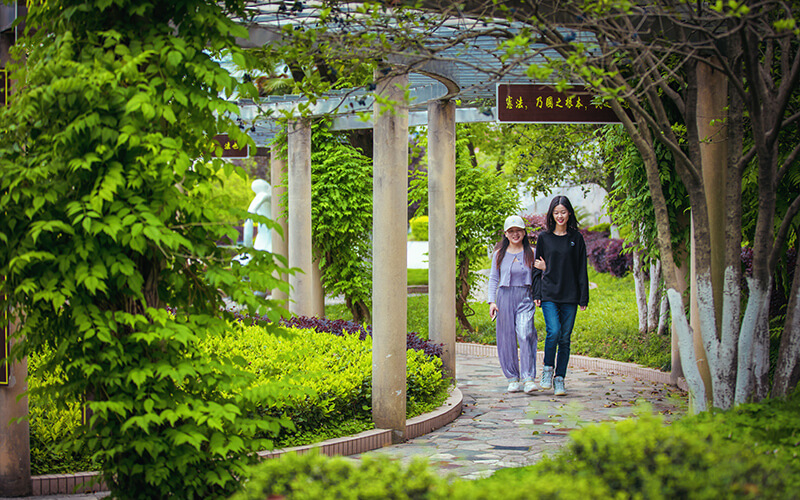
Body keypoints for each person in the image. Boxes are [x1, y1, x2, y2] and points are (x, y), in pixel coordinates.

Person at [532, 195, 589, 397]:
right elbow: (537, 268)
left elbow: (581, 268)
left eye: (563, 212)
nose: (560, 216)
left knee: (565, 338)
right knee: (554, 331)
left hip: (570, 295)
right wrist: (536, 292)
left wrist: (584, 296)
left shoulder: (576, 238)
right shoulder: (544, 238)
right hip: (548, 293)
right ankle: (547, 370)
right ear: (551, 215)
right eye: (556, 213)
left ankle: (560, 379)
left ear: (569, 213)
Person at [487, 215, 540, 394]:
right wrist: (491, 302)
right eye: (511, 231)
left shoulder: (531, 252)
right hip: (504, 298)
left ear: (524, 232)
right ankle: (512, 378)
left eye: (518, 230)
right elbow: (493, 278)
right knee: (506, 338)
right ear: (506, 234)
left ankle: (528, 378)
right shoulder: (498, 254)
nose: (515, 234)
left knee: (526, 333)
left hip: (525, 297)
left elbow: (539, 276)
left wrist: (539, 293)